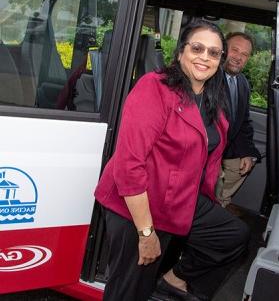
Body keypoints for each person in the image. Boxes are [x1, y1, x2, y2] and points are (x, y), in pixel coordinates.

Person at [94, 20, 250, 301]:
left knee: (233, 235)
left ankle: (173, 283)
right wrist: (146, 233)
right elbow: (129, 166)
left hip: (181, 199)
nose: (205, 57)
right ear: (180, 52)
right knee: (129, 291)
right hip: (139, 205)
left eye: (214, 53)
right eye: (197, 48)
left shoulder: (212, 99)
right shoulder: (155, 88)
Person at [216, 32, 261, 208]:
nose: (238, 57)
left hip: (229, 145)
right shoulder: (211, 76)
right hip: (209, 147)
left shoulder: (242, 83)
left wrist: (246, 152)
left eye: (244, 54)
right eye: (235, 50)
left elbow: (244, 122)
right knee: (215, 180)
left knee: (248, 162)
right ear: (223, 50)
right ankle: (215, 203)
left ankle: (220, 202)